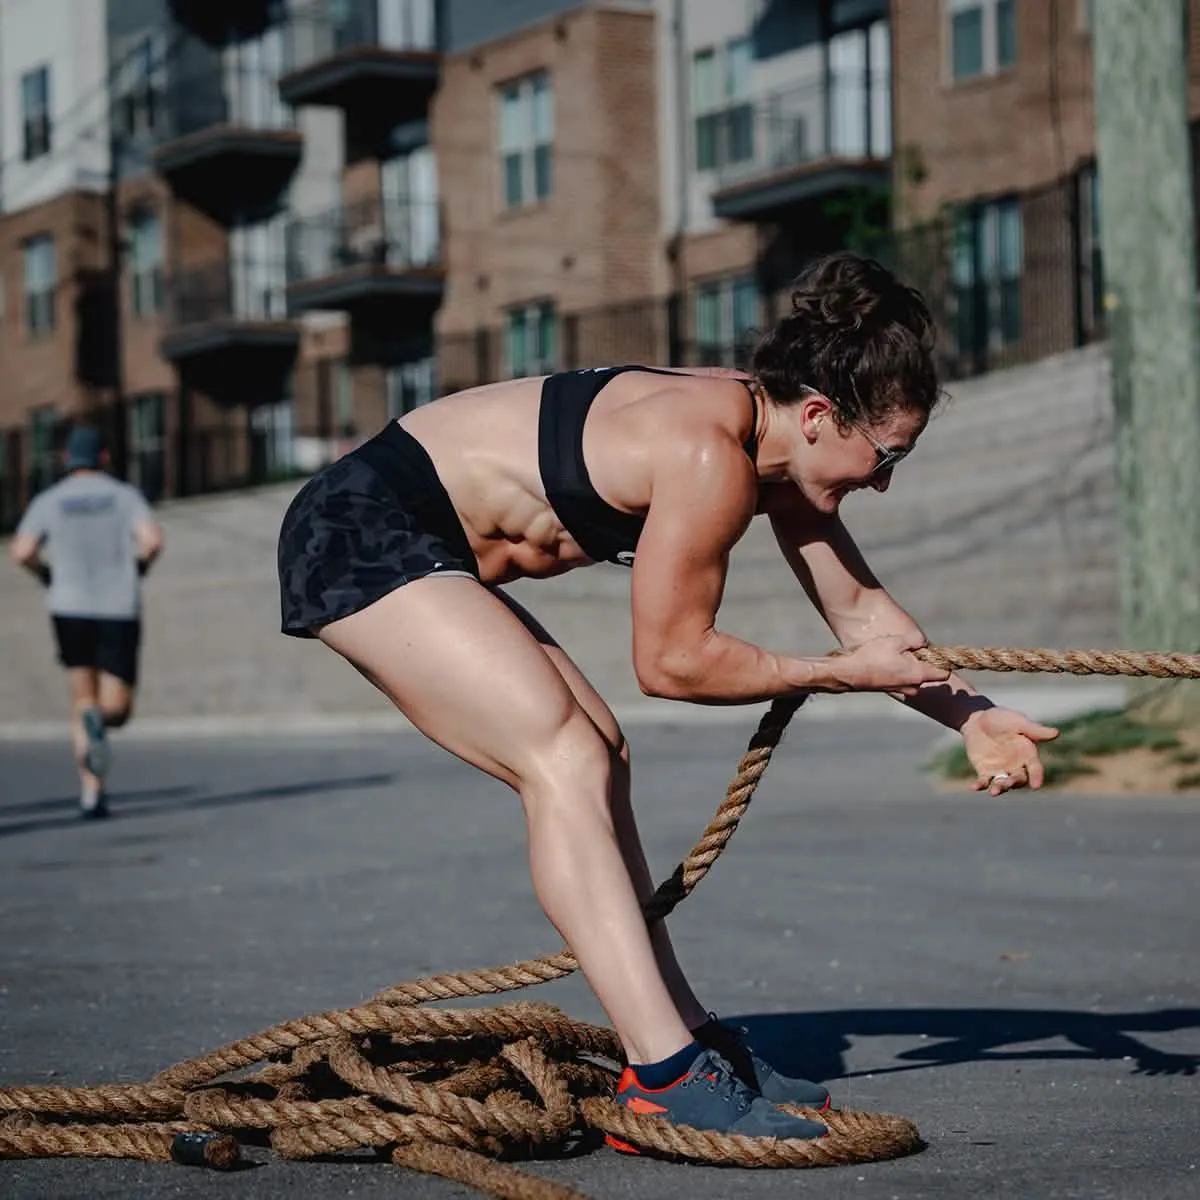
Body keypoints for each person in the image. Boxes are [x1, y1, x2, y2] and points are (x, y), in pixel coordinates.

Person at [276, 252, 1059, 1146]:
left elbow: (861, 614)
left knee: (598, 750)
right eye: (886, 456)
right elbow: (675, 664)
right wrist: (838, 676)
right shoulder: (707, 449)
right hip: (358, 529)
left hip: (427, 545)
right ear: (817, 414)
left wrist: (974, 715)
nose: (883, 481)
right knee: (563, 755)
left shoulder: (781, 450)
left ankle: (684, 1038)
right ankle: (664, 1077)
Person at [9, 425, 164, 820]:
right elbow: (152, 541)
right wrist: (139, 567)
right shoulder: (124, 496)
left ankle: (92, 793)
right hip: (118, 607)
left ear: (66, 460)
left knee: (82, 700)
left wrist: (45, 574)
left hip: (69, 606)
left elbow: (21, 551)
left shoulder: (50, 500)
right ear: (105, 458)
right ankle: (103, 721)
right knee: (117, 707)